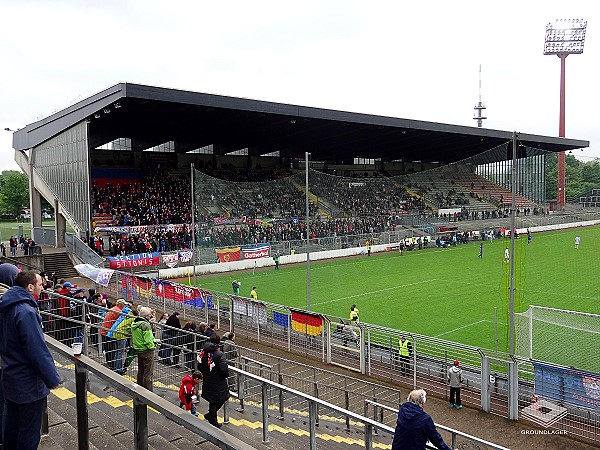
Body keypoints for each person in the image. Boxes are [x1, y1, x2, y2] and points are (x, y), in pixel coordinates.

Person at [0, 270, 62, 450]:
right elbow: (36, 349)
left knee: (12, 425)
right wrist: (53, 379)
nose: (43, 287)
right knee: (29, 431)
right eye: (41, 284)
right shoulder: (25, 311)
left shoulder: (7, 305)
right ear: (30, 287)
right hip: (28, 383)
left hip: (10, 375)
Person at [198, 334, 230, 428]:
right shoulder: (220, 354)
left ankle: (211, 416)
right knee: (220, 399)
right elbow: (224, 370)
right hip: (218, 381)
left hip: (208, 379)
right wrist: (225, 375)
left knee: (213, 400)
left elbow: (199, 366)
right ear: (218, 343)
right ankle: (213, 420)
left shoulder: (203, 352)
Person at [131, 306, 157, 391]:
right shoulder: (145, 325)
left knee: (141, 371)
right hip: (147, 350)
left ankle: (140, 388)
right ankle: (148, 392)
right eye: (150, 315)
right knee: (148, 373)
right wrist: (153, 346)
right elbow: (148, 340)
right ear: (146, 316)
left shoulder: (135, 323)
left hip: (138, 349)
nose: (150, 317)